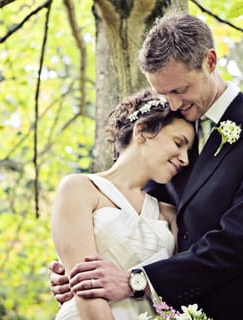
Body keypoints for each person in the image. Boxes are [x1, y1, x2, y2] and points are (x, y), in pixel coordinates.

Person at [49, 11, 243, 320]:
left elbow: (239, 242)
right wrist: (78, 269)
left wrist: (133, 281)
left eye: (180, 90)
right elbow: (143, 221)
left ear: (210, 61)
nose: (173, 104)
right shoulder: (172, 137)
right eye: (162, 93)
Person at [51, 88, 195, 320]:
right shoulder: (79, 189)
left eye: (189, 151)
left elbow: (179, 289)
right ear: (142, 131)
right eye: (179, 143)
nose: (185, 159)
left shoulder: (170, 214)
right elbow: (86, 292)